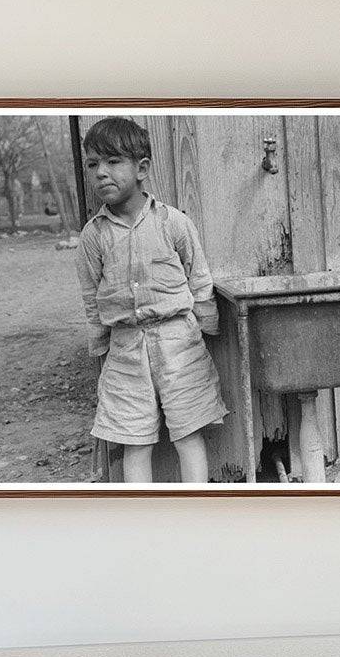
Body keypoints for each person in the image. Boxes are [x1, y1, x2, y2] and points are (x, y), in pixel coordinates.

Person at [74, 117, 227, 483]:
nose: (101, 174)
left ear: (141, 168)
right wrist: (100, 347)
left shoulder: (172, 223)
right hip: (125, 349)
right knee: (133, 440)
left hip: (179, 344)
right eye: (93, 164)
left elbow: (199, 279)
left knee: (188, 432)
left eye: (113, 162)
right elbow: (91, 296)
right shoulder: (93, 237)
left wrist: (205, 329)